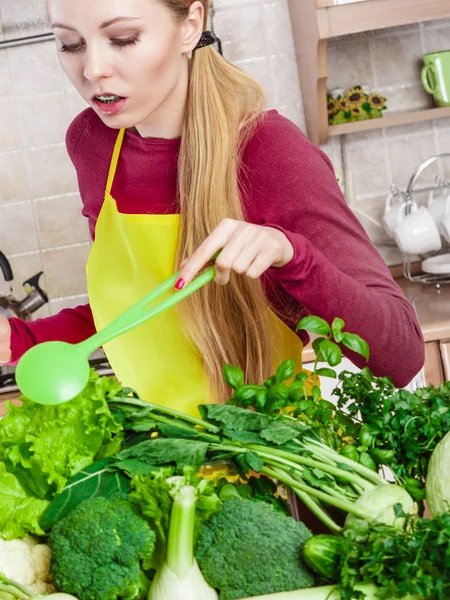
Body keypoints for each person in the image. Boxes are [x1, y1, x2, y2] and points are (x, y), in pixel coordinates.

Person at [0, 0, 424, 415]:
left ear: (190, 25)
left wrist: (292, 256)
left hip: (271, 472)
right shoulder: (94, 145)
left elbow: (402, 356)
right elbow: (149, 310)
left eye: (123, 38)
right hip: (164, 469)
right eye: (70, 45)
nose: (92, 69)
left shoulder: (268, 152)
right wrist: (17, 337)